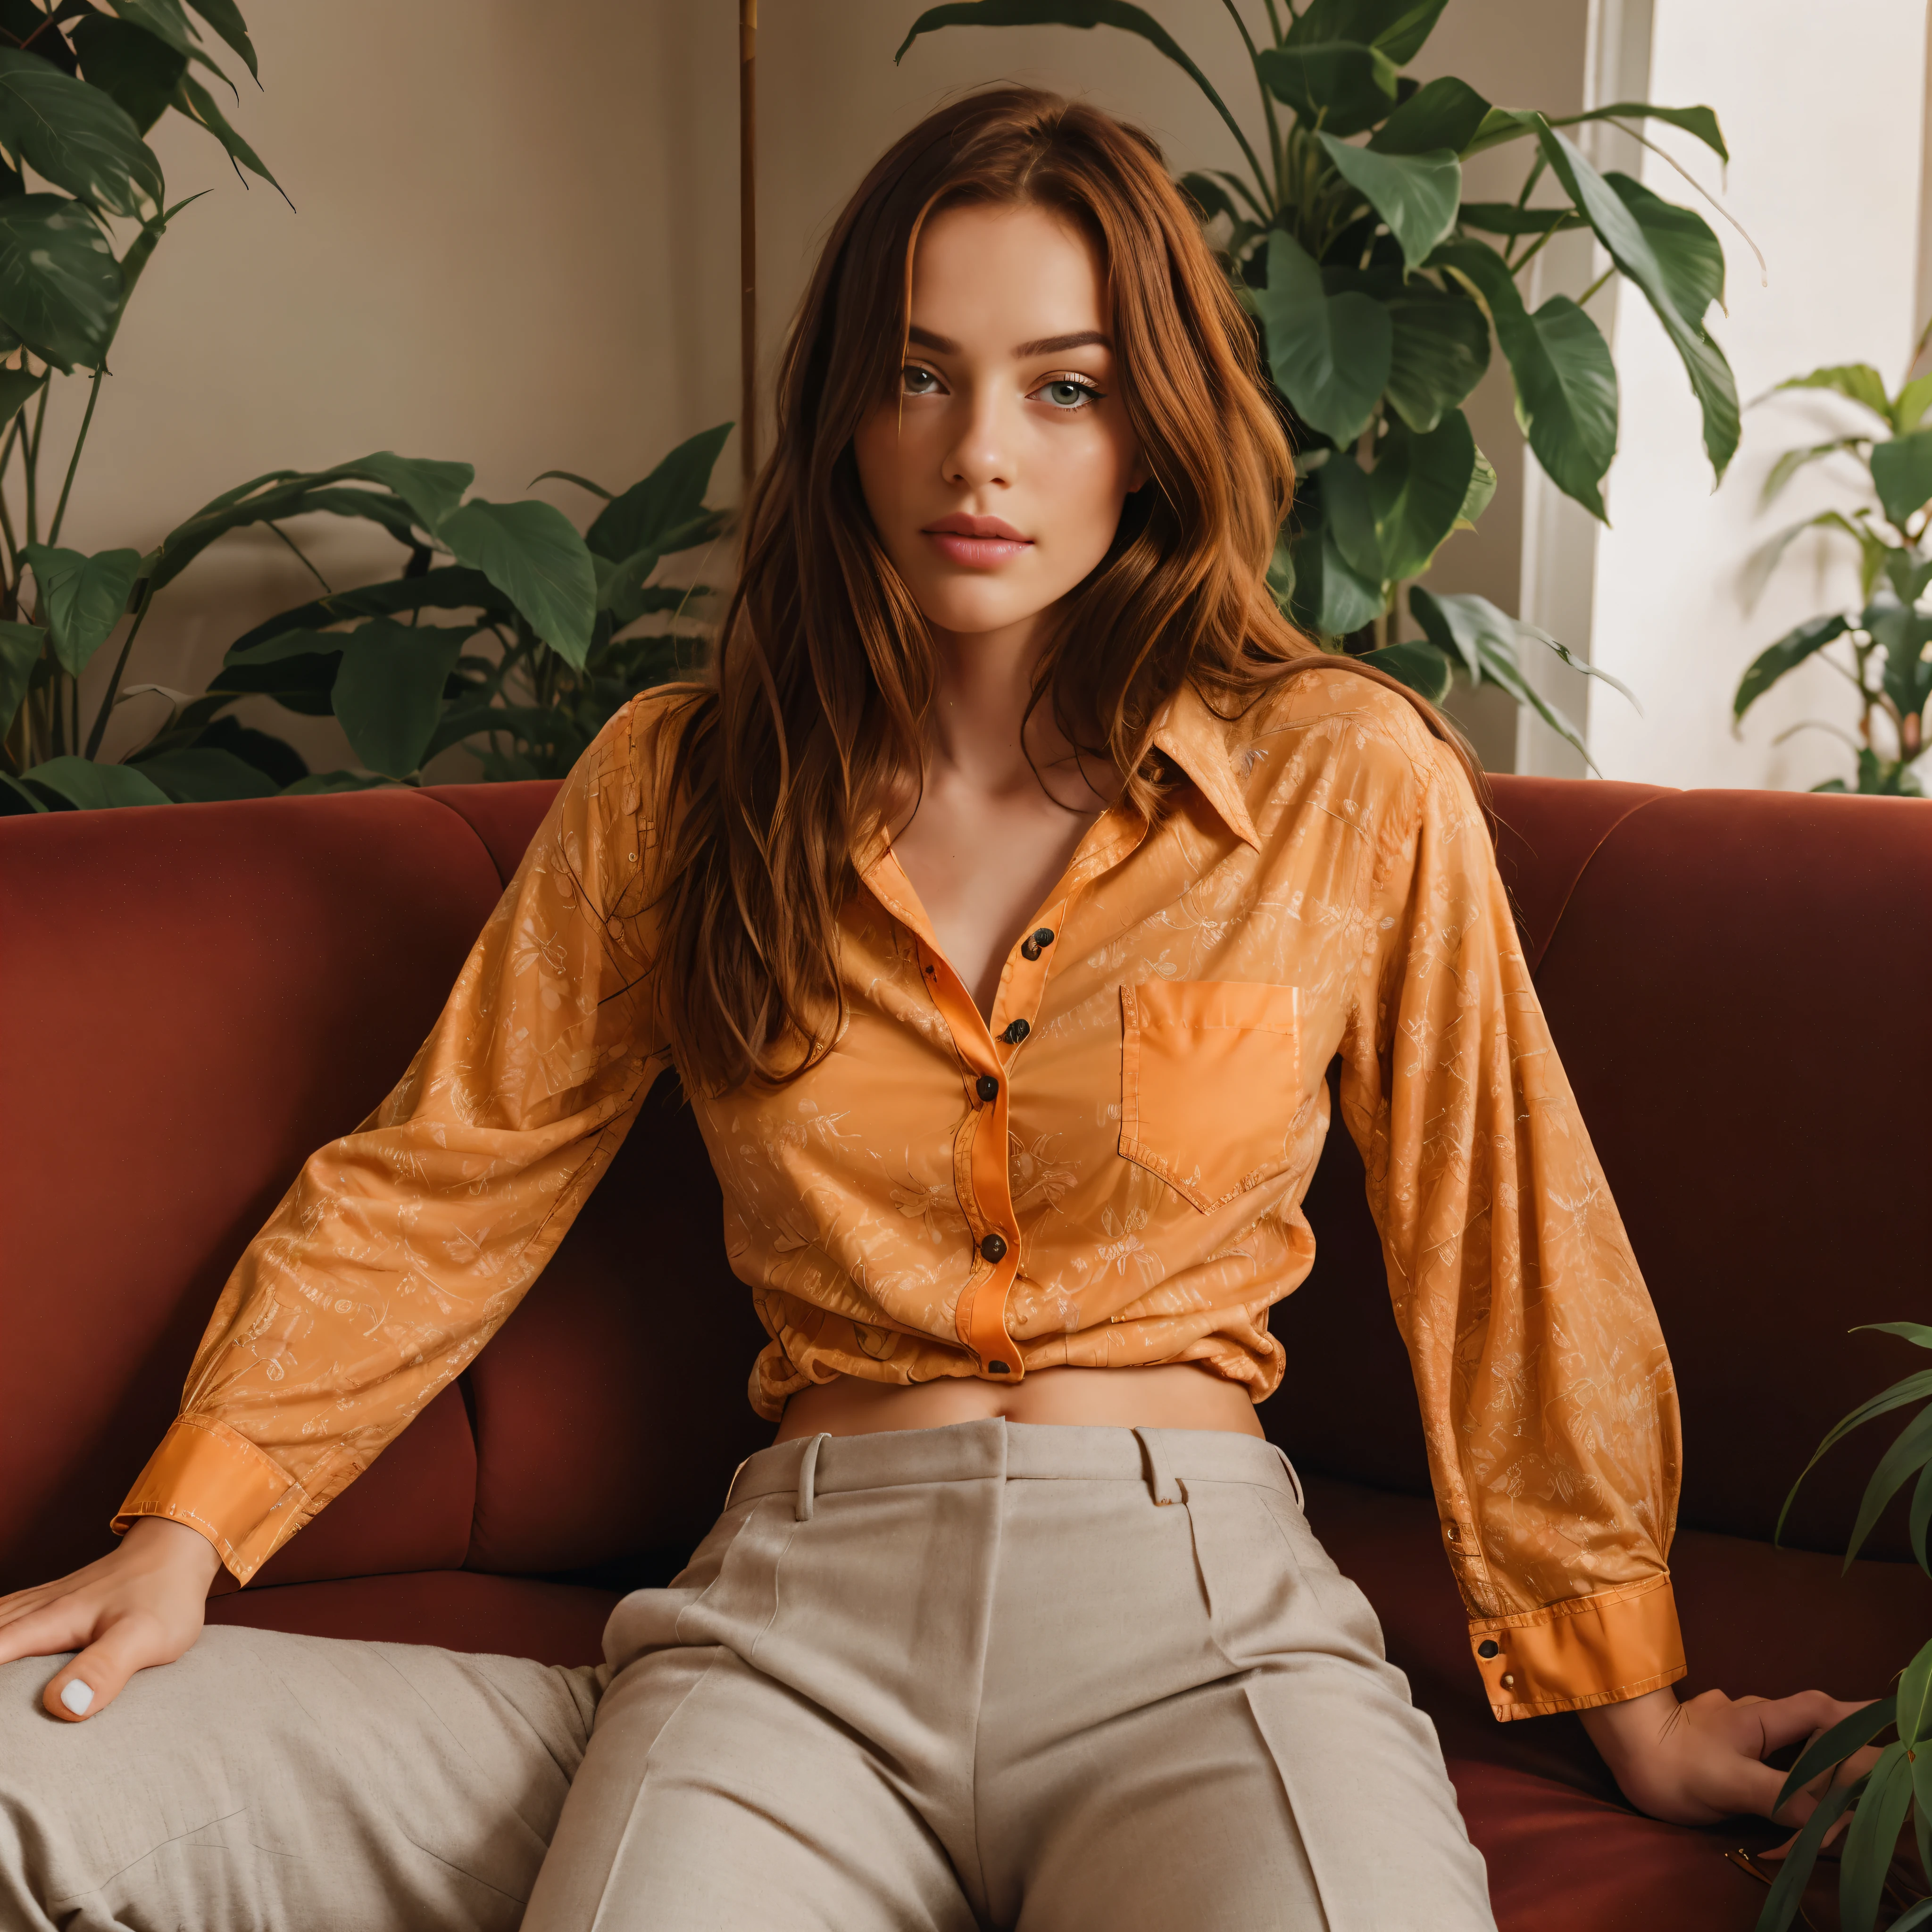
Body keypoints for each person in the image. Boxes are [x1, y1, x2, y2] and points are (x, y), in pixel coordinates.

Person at [0, 87, 1867, 1932]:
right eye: (920, 376)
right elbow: (446, 1176)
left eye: (1062, 385)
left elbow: (1503, 1224)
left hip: (1202, 1617)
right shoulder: (686, 783)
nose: (980, 451)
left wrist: (1623, 1693)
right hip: (794, 1621)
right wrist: (188, 1532)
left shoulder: (1341, 777)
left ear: (1150, 424)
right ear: (847, 414)